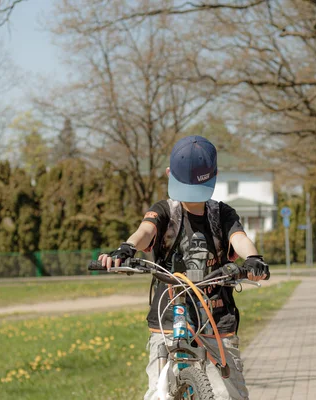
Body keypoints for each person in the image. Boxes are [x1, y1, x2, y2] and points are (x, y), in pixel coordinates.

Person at [98, 135, 269, 400]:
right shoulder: (165, 211)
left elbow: (240, 238)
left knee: (228, 394)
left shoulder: (222, 215)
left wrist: (253, 259)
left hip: (216, 318)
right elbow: (145, 230)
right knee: (159, 391)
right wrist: (127, 248)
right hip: (168, 317)